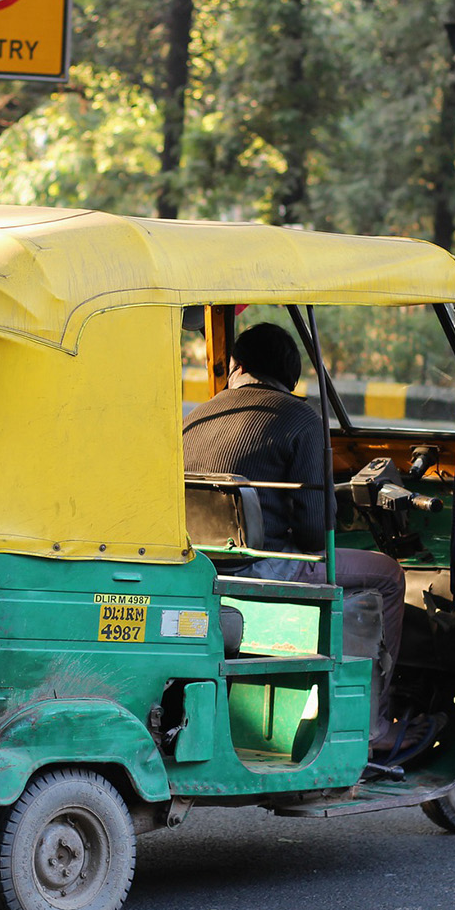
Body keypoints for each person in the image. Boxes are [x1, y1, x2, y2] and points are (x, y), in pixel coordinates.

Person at [182, 322, 435, 761]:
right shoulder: (301, 420)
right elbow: (316, 534)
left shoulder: (195, 418)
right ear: (291, 379)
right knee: (389, 575)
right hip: (263, 567)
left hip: (199, 566)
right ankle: (376, 725)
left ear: (237, 367)